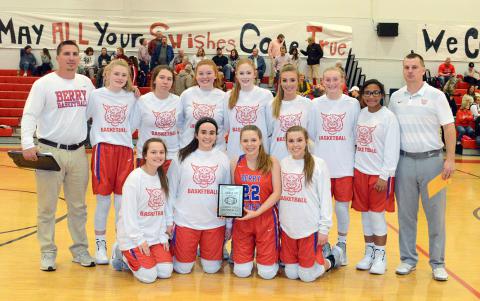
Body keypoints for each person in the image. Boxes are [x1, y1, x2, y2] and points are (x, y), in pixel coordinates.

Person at [21, 40, 96, 271]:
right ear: (58, 57)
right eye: (66, 54)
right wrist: (27, 143)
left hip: (77, 152)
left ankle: (80, 250)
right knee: (46, 207)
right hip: (49, 151)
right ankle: (47, 251)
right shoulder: (44, 84)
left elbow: (95, 111)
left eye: (75, 53)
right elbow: (30, 114)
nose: (71, 57)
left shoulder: (86, 83)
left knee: (78, 207)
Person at [389, 52, 455, 281]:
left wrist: (451, 159)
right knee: (406, 216)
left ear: (423, 70)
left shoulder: (436, 96)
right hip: (404, 163)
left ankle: (438, 263)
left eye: (414, 67)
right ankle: (408, 259)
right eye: (406, 67)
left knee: (435, 215)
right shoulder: (395, 98)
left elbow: (449, 128)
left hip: (433, 164)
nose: (410, 71)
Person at [308, 66, 361, 266]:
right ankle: (323, 245)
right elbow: (312, 134)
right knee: (321, 208)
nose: (331, 83)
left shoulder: (352, 103)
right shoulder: (315, 104)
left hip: (345, 165)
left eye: (335, 79)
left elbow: (356, 133)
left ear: (342, 80)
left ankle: (342, 244)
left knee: (341, 208)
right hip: (321, 166)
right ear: (322, 81)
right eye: (327, 80)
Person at [86, 59, 137, 264]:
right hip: (103, 149)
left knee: (123, 203)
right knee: (103, 201)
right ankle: (100, 244)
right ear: (107, 74)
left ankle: (119, 245)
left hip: (124, 150)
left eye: (124, 75)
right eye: (116, 74)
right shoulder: (96, 96)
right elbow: (85, 117)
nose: (120, 78)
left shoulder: (131, 97)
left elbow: (132, 124)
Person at [167, 117, 231, 274]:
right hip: (185, 222)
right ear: (196, 134)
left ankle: (202, 252)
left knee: (212, 269)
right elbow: (170, 191)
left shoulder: (223, 158)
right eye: (203, 132)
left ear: (217, 136)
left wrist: (229, 224)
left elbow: (228, 193)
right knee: (182, 269)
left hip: (214, 223)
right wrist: (169, 221)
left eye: (211, 133)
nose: (207, 136)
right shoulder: (181, 157)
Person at [279, 126, 342, 282]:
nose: (295, 145)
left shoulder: (318, 164)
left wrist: (324, 229)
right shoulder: (283, 163)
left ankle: (333, 258)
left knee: (307, 276)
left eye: (299, 140)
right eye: (291, 141)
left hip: (310, 229)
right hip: (288, 228)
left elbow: (326, 200)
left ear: (306, 141)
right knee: (292, 274)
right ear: (286, 143)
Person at [353, 79, 400, 275]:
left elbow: (392, 147)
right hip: (360, 171)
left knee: (376, 215)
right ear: (362, 95)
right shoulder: (361, 114)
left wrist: (385, 175)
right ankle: (369, 252)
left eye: (375, 93)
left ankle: (381, 255)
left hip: (379, 174)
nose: (371, 96)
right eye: (367, 93)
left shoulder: (388, 117)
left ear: (382, 95)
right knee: (365, 215)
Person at [114, 138, 174, 283]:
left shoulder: (162, 178)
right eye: (153, 152)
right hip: (133, 238)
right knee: (149, 276)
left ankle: (147, 257)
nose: (158, 156)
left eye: (161, 152)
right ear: (145, 155)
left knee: (165, 272)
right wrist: (139, 240)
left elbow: (163, 210)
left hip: (154, 237)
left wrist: (163, 236)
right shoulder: (135, 178)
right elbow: (128, 215)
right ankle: (120, 252)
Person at [230, 125, 281, 279]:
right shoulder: (235, 162)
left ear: (260, 141)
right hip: (243, 220)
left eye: (253, 140)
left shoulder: (272, 161)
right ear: (240, 143)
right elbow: (233, 191)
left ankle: (273, 257)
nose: (249, 144)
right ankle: (242, 254)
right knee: (241, 272)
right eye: (245, 140)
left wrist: (257, 212)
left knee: (267, 274)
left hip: (265, 218)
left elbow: (277, 192)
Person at [132, 65, 182, 169]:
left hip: (171, 155)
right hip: (147, 155)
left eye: (169, 79)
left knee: (168, 186)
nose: (165, 81)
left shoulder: (179, 101)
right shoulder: (142, 101)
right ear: (154, 80)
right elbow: (131, 127)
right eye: (162, 77)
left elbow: (183, 129)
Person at [225, 58, 272, 159]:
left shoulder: (266, 95)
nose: (245, 76)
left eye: (248, 73)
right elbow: (226, 126)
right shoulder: (228, 96)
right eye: (241, 73)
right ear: (236, 75)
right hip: (235, 150)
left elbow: (270, 127)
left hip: (259, 151)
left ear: (254, 74)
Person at [178, 59, 227, 150]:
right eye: (201, 74)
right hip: (188, 149)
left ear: (215, 75)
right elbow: (179, 122)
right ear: (196, 76)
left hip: (216, 150)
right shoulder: (187, 94)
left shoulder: (224, 97)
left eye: (209, 73)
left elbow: (227, 125)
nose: (205, 77)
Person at [267, 64, 313, 160]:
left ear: (298, 81)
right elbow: (268, 135)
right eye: (284, 80)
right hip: (277, 159)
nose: (288, 84)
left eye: (292, 80)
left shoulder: (308, 104)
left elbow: (311, 135)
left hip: (301, 159)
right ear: (280, 82)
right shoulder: (271, 105)